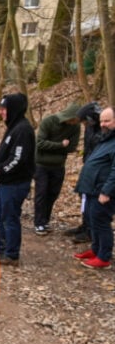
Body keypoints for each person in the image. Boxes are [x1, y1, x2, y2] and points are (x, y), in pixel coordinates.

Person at [0, 92, 36, 267]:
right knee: (1, 215)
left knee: (10, 217)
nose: (1, 112)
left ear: (13, 109)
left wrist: (0, 170)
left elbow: (18, 158)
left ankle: (11, 254)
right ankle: (2, 247)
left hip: (16, 183)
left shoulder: (23, 129)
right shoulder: (14, 127)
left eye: (4, 109)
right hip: (7, 183)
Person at [72, 106, 115, 269]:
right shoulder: (106, 138)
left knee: (100, 221)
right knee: (91, 219)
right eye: (102, 120)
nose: (103, 124)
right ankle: (96, 249)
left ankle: (104, 256)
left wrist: (107, 191)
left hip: (103, 191)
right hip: (91, 189)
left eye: (107, 121)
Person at [33, 102, 81, 235]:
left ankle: (45, 220)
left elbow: (72, 147)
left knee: (53, 193)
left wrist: (59, 146)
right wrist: (60, 145)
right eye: (73, 119)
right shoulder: (49, 121)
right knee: (41, 193)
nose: (75, 121)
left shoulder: (75, 127)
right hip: (41, 164)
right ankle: (39, 223)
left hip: (58, 166)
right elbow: (40, 143)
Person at [65, 102, 103, 243]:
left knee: (93, 201)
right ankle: (85, 226)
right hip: (88, 167)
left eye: (85, 122)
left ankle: (90, 231)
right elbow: (88, 146)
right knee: (84, 197)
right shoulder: (90, 128)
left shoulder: (102, 128)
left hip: (99, 171)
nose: (84, 125)